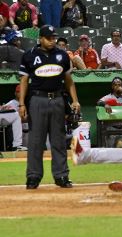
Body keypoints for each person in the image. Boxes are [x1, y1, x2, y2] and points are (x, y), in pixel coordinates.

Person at [18, 25, 81, 189]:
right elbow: (24, 81)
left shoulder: (62, 55)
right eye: (49, 38)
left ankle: (61, 176)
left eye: (54, 38)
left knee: (59, 140)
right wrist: (22, 103)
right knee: (35, 142)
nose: (53, 41)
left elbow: (68, 80)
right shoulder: (29, 55)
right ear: (41, 39)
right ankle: (33, 177)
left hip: (58, 99)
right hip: (37, 100)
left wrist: (75, 100)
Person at [97, 77, 122, 148]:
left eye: (120, 85)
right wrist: (105, 104)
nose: (118, 86)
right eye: (116, 85)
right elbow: (99, 102)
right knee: (110, 151)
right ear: (112, 86)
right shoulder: (108, 97)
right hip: (111, 129)